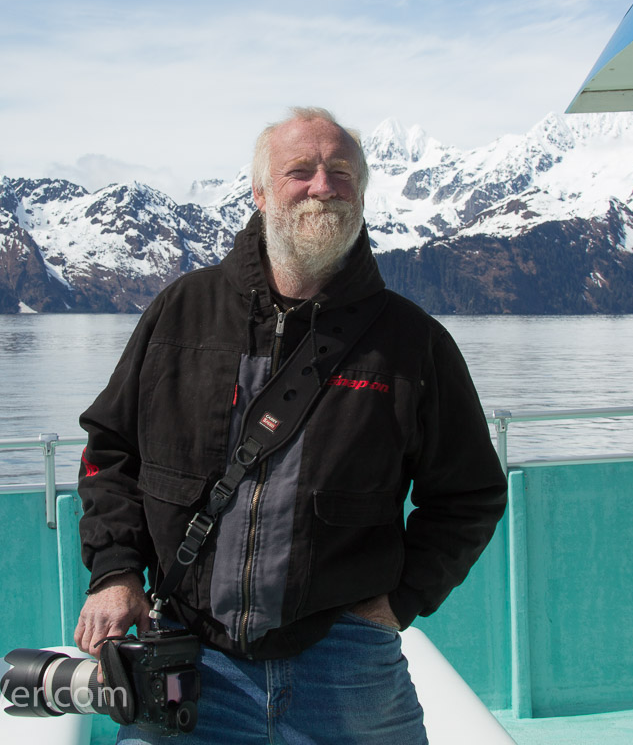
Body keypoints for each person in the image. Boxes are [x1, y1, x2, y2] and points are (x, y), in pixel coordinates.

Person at [74, 107, 507, 743]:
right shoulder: (181, 313)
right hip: (191, 657)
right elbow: (110, 450)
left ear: (361, 192)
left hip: (347, 664)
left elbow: (470, 493)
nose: (322, 186)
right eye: (300, 171)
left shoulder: (411, 342)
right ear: (258, 191)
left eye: (341, 173)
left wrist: (401, 599)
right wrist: (114, 573)